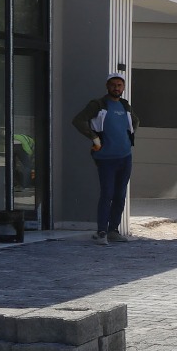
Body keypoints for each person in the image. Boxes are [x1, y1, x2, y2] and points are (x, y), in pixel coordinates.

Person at [71, 73, 138, 245]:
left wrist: (129, 136)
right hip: (106, 158)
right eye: (113, 85)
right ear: (107, 86)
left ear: (123, 88)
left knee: (120, 194)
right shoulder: (98, 105)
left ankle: (113, 230)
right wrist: (94, 138)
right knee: (107, 193)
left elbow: (136, 121)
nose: (117, 88)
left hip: (125, 157)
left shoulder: (125, 105)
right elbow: (78, 120)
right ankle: (101, 232)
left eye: (120, 85)